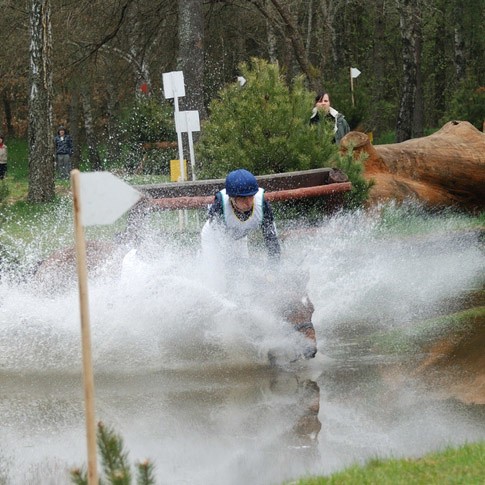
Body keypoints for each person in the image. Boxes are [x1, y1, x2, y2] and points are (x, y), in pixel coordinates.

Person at [200, 169, 281, 272]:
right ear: (232, 198)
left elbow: (272, 241)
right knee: (218, 270)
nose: (248, 202)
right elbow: (220, 241)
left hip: (239, 237)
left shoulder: (262, 204)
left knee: (244, 271)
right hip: (214, 238)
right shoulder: (220, 206)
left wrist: (273, 270)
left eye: (251, 197)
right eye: (243, 198)